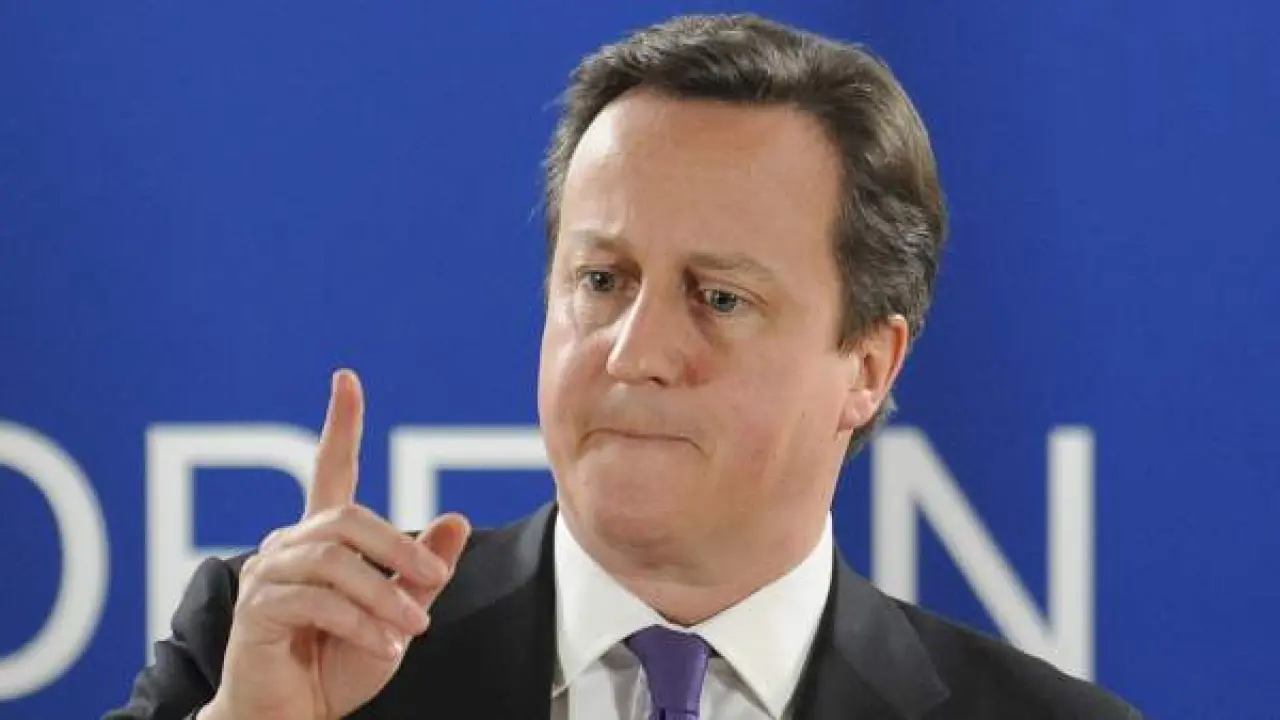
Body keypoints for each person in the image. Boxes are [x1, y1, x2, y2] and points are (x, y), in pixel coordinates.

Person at [106, 13, 1142, 720]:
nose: (635, 351)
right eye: (602, 280)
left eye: (719, 298)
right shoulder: (275, 649)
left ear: (868, 365)